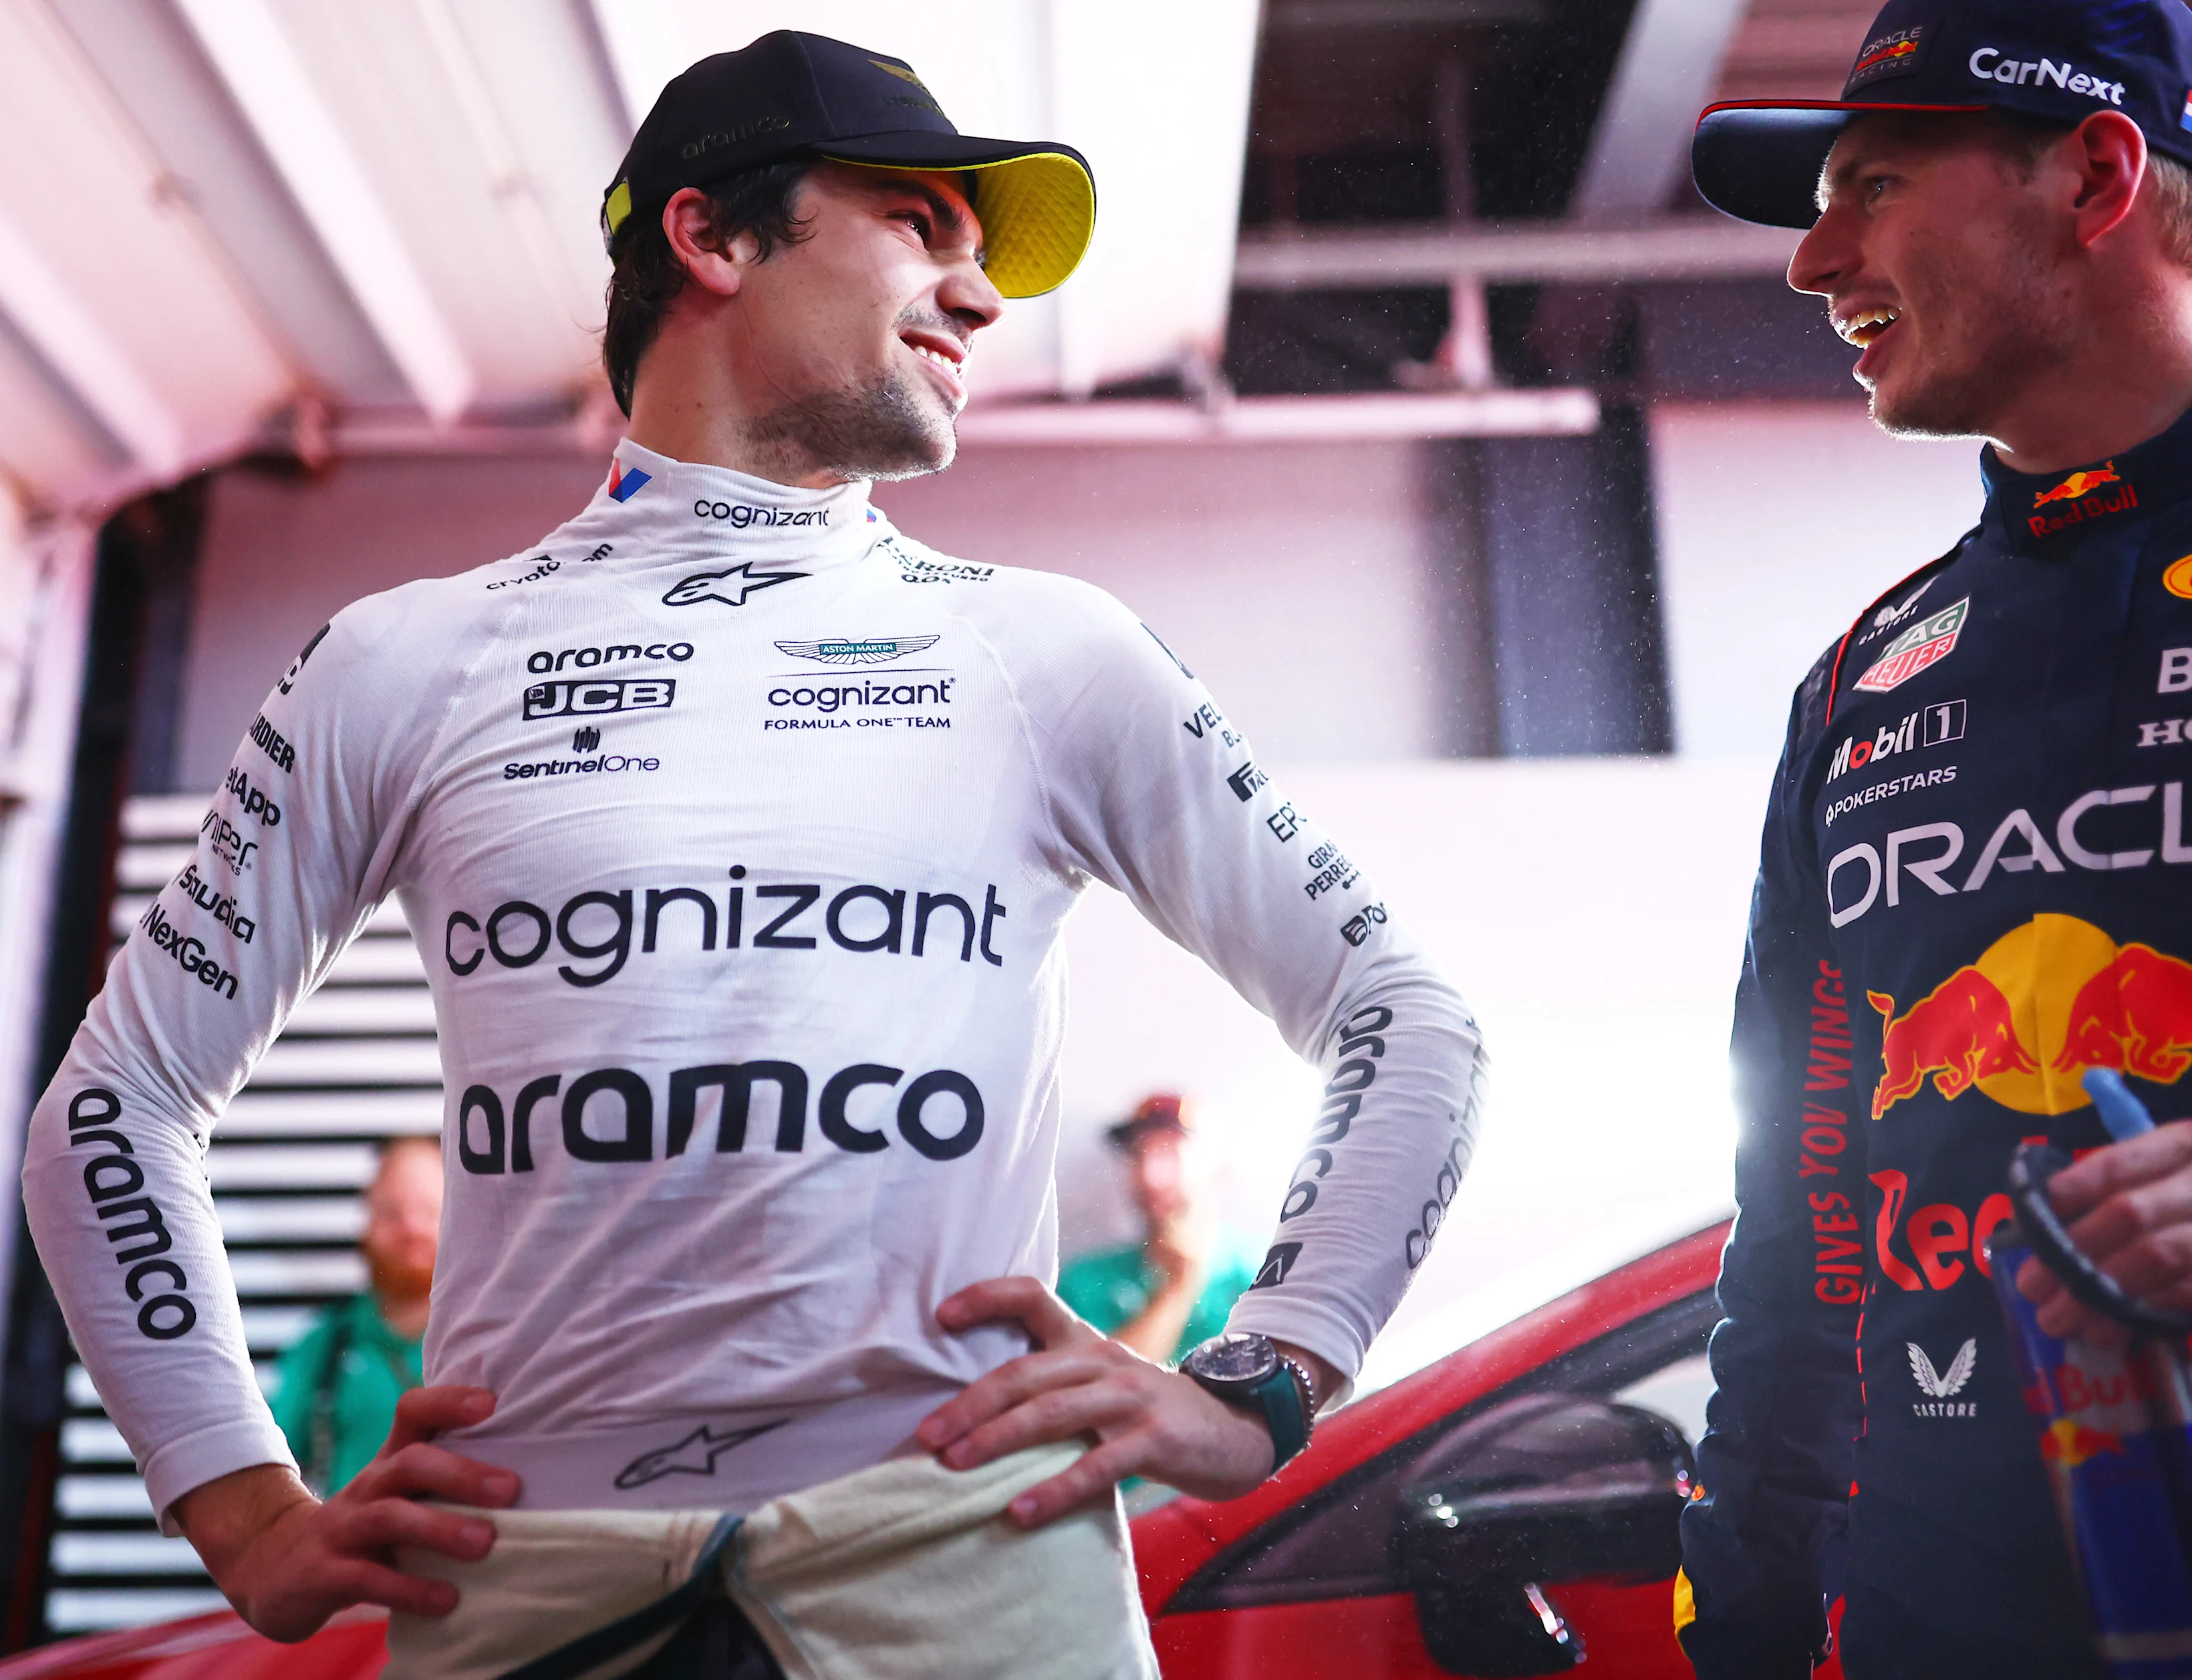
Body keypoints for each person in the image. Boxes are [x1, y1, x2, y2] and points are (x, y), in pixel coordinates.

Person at [20, 29, 1486, 1675]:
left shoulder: (1052, 652)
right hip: (523, 1581)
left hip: (970, 1565)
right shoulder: (398, 661)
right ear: (710, 238)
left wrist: (1264, 1380)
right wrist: (240, 1508)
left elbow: (1405, 1018)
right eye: (922, 227)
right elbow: (112, 1109)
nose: (980, 297)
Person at [1675, 1, 2192, 1675]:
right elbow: (1794, 1233)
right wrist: (1748, 1625)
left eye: (1867, 183)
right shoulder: (1867, 675)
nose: (1812, 262)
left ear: (2091, 175)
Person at [268, 1135, 440, 1495]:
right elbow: (270, 1478)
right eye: (391, 1212)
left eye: (429, 1210)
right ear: (367, 1222)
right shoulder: (321, 1349)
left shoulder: (498, 1342)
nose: (410, 1229)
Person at [1059, 1095, 1258, 1364]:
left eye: (1171, 1154)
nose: (1149, 1175)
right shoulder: (1086, 1281)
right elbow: (1081, 1389)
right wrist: (1178, 1289)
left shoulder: (1265, 1276)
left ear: (1220, 1169)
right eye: (1138, 1154)